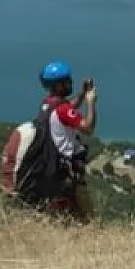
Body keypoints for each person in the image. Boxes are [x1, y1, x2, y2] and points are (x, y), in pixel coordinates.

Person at [38, 59, 98, 221]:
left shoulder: (48, 104)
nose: (70, 83)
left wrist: (82, 93)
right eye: (67, 81)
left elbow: (68, 108)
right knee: (87, 216)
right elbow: (88, 128)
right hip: (67, 170)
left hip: (53, 168)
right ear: (58, 85)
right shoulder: (62, 110)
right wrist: (91, 103)